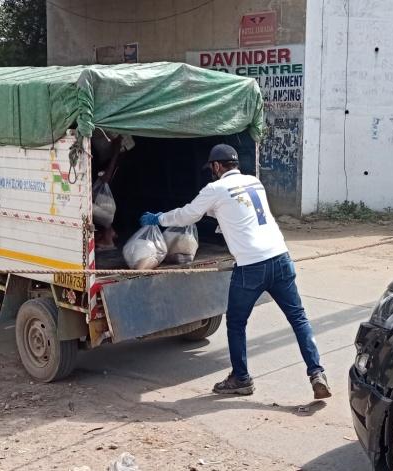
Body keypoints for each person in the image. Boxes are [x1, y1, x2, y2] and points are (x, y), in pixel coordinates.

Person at [139, 144, 330, 399]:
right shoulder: (255, 182)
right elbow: (238, 212)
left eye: (213, 168)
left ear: (217, 166)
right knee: (299, 319)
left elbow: (187, 215)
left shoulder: (215, 189)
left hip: (251, 266)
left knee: (236, 323)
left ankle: (241, 378)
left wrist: (158, 219)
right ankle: (317, 372)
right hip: (281, 258)